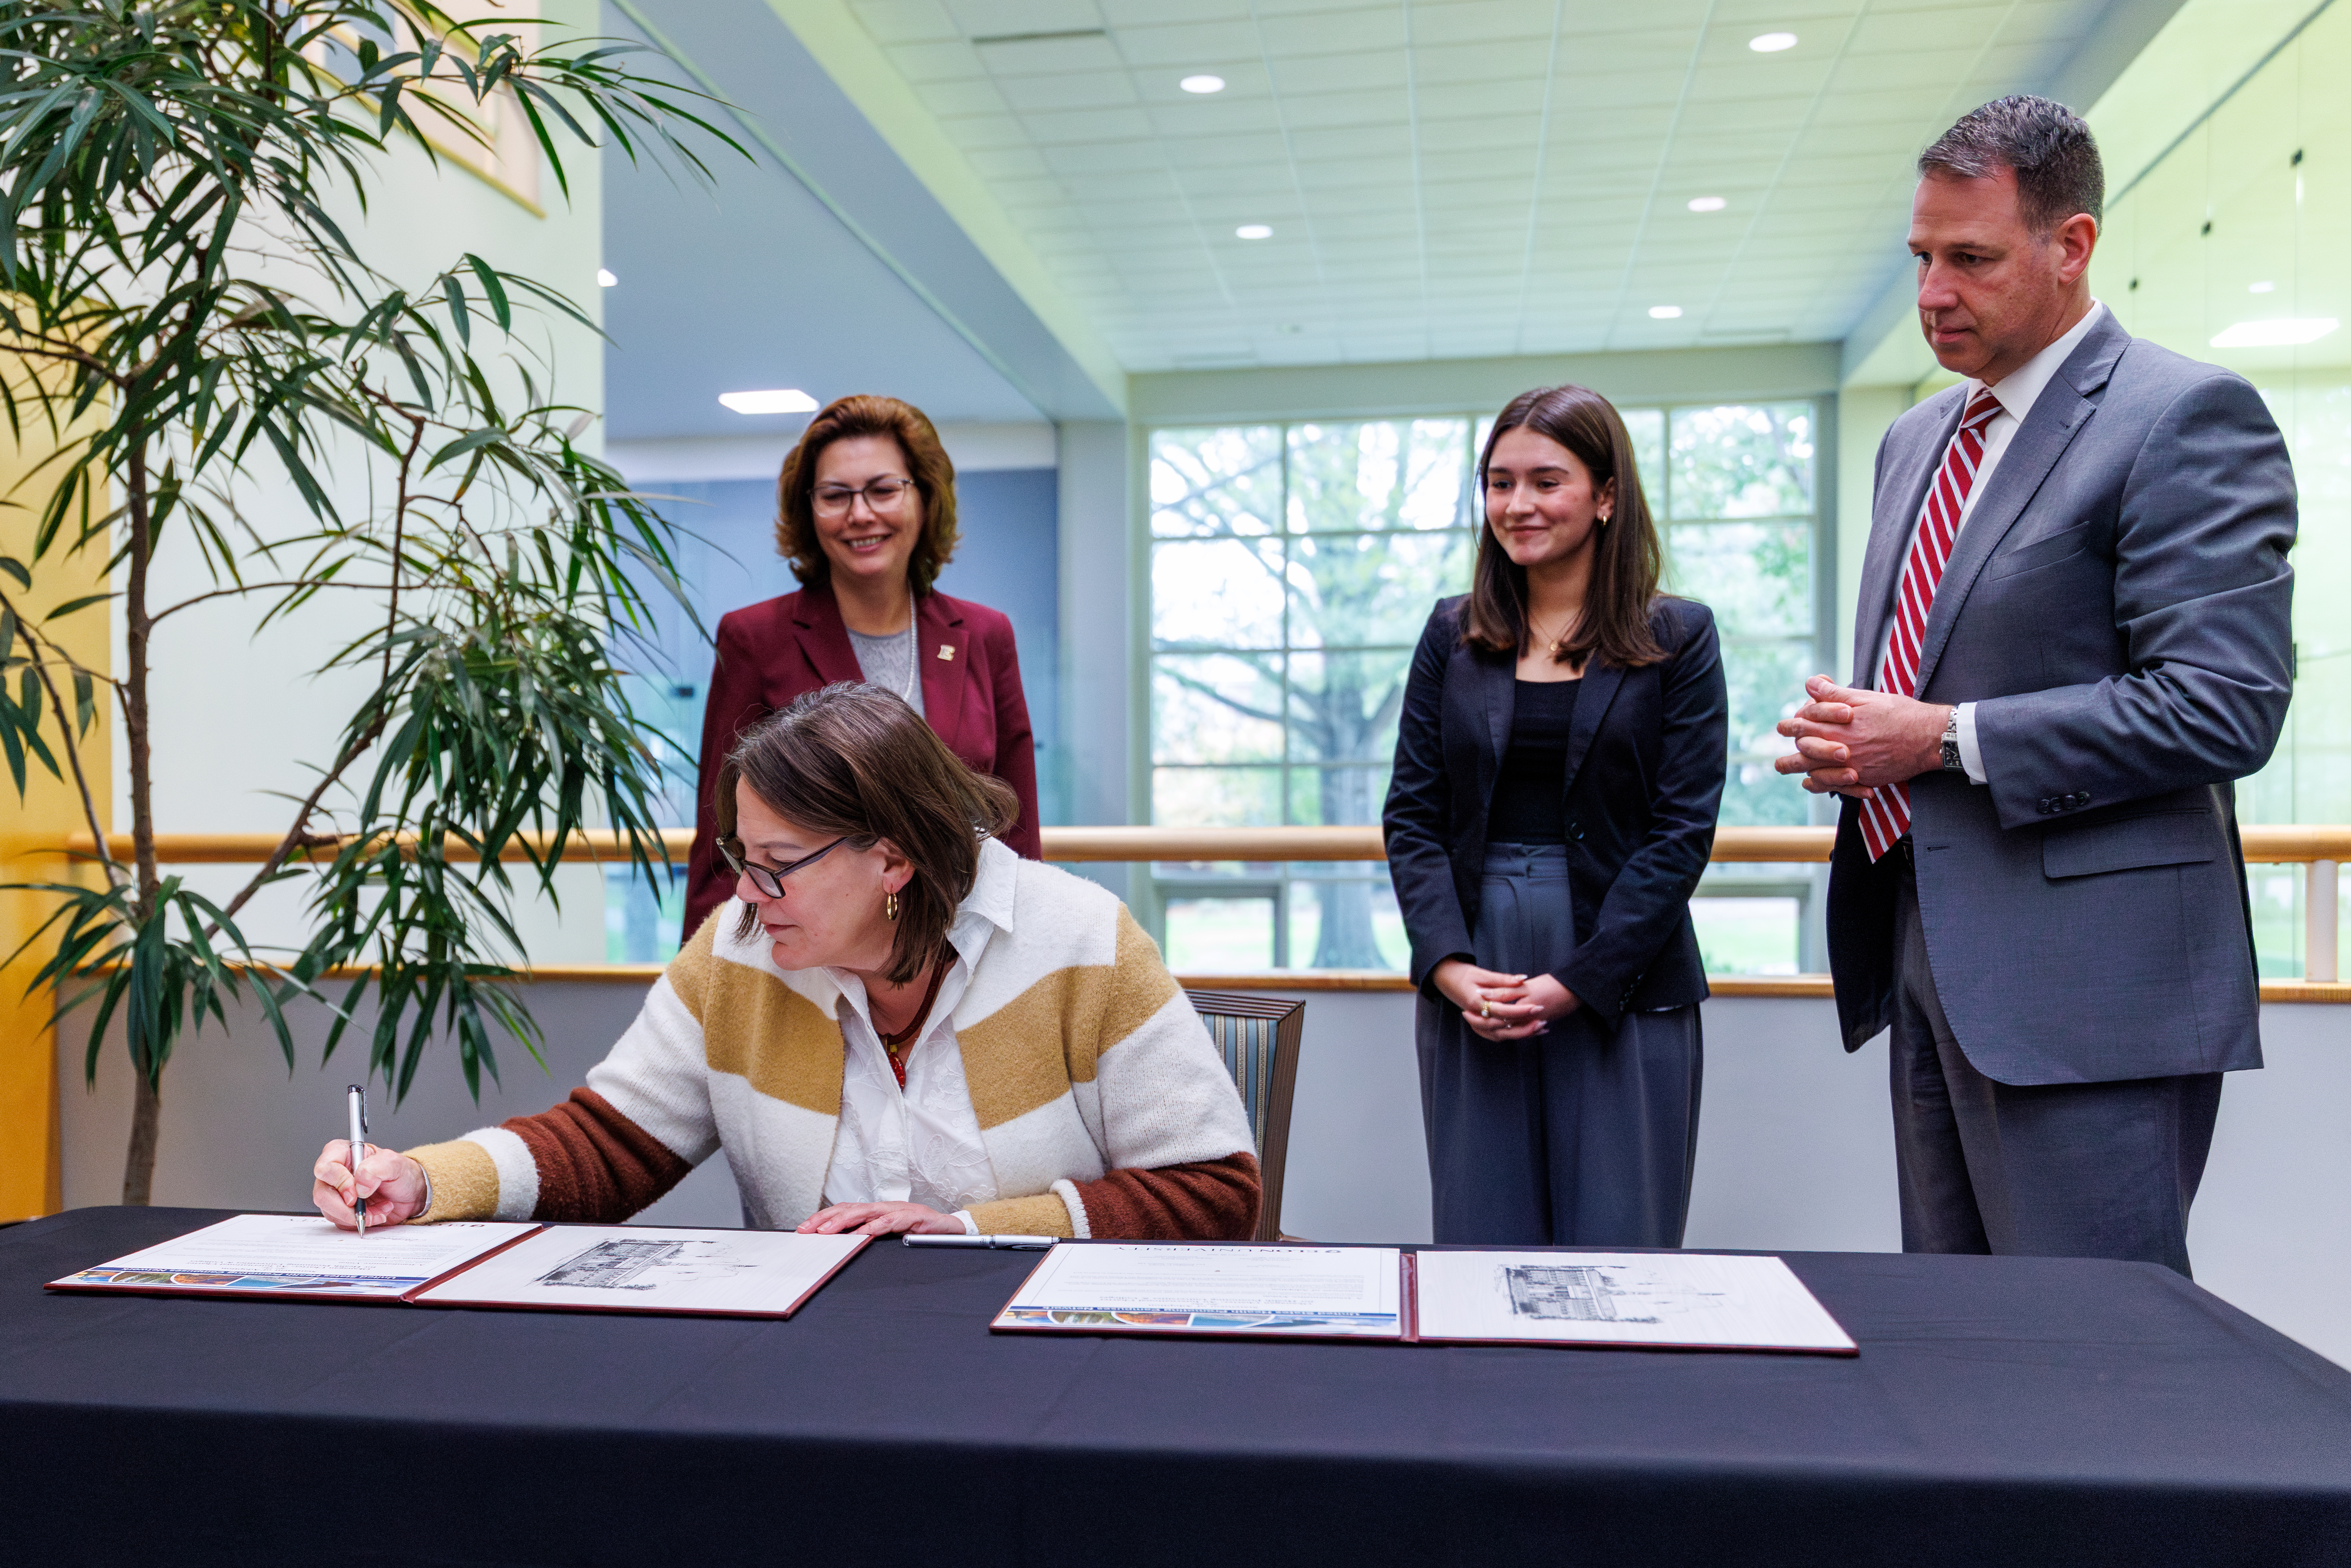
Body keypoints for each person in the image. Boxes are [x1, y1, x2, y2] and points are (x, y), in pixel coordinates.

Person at [1777, 96, 2296, 1275]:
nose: (1933, 294)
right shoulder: (1917, 439)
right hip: (1924, 951)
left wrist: (1943, 739)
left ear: (2072, 247)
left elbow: (2225, 703)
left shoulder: (2183, 416)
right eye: (1921, 258)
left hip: (2090, 994)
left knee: (2098, 1373)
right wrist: (1862, 740)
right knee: (1964, 1360)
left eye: (1972, 259)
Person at [314, 683, 1261, 1240]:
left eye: (776, 868)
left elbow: (1214, 1190)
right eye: (739, 861)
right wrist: (429, 1180)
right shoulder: (740, 951)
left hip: (1043, 1372)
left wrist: (973, 1234)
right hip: (816, 1373)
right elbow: (609, 1143)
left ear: (892, 857)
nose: (745, 898)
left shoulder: (1082, 941)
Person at [1384, 385, 1728, 1248]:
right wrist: (1448, 968)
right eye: (1499, 484)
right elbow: (1413, 816)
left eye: (1546, 481)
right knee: (1480, 1246)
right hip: (1479, 978)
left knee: (1622, 1248)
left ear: (1607, 495)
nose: (1518, 505)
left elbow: (1682, 832)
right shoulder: (1451, 635)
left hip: (1623, 971)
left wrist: (1579, 981)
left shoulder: (1679, 637)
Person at [680, 395, 1041, 941]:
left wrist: (1029, 953)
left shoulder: (987, 636)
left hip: (963, 949)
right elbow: (720, 839)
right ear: (809, 509)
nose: (861, 514)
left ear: (924, 498)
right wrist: (704, 989)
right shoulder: (754, 639)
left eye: (883, 489)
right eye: (836, 495)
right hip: (811, 960)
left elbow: (1019, 833)